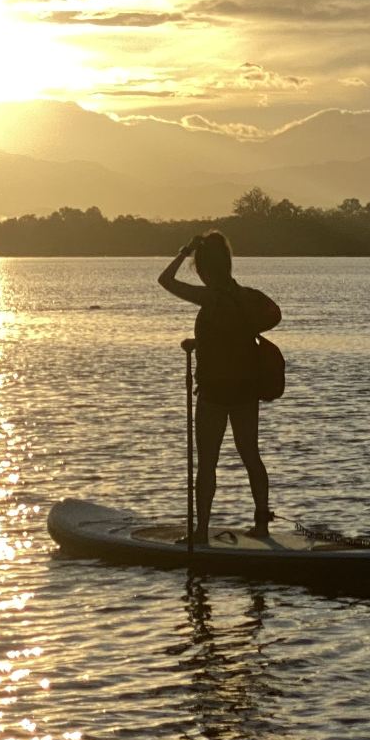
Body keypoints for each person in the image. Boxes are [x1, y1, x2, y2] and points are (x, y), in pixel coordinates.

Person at [159, 231, 282, 540]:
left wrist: (184, 250)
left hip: (215, 392)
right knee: (251, 456)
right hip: (245, 390)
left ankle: (201, 531)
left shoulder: (209, 296)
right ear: (227, 263)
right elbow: (253, 325)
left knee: (207, 464)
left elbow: (165, 280)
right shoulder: (245, 295)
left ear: (204, 268)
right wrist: (201, 341)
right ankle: (262, 525)